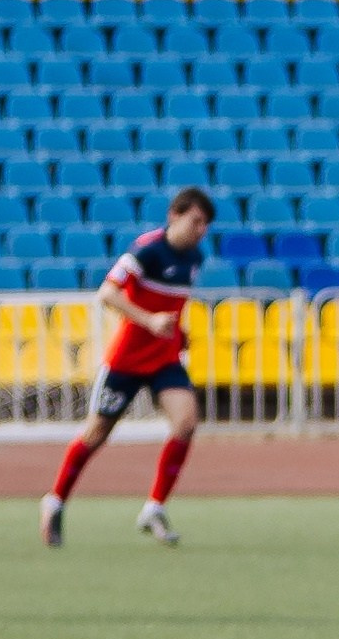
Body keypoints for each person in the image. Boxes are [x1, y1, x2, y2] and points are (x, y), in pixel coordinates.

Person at [40, 188, 214, 549]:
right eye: (196, 221)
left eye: (205, 224)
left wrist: (177, 333)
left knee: (186, 421)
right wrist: (149, 321)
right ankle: (55, 500)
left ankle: (154, 507)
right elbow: (107, 294)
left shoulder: (196, 257)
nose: (201, 230)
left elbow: (172, 304)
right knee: (96, 433)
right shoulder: (146, 251)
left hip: (164, 358)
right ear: (174, 215)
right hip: (128, 359)